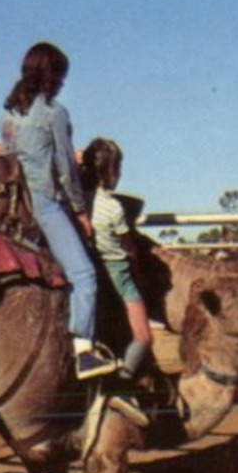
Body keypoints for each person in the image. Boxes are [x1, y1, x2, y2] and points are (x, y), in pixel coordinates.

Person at [0, 42, 117, 381]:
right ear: (52, 76)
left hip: (13, 200)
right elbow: (64, 168)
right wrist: (80, 211)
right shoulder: (55, 113)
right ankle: (83, 350)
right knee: (85, 276)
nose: (63, 83)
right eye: (61, 76)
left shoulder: (8, 113)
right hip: (44, 203)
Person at [81, 138, 153, 380]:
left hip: (95, 266)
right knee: (143, 336)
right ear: (112, 172)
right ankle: (123, 380)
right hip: (119, 272)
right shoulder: (114, 208)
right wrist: (138, 271)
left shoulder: (80, 200)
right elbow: (128, 247)